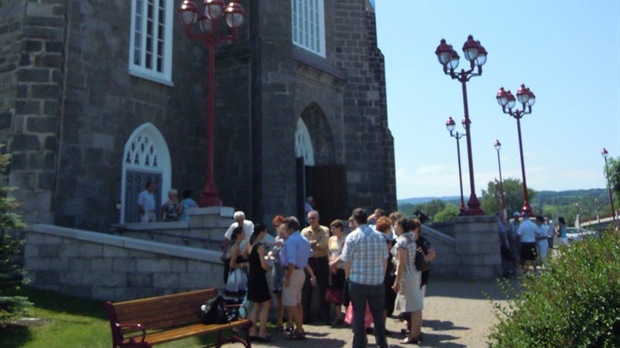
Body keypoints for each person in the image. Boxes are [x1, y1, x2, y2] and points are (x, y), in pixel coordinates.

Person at [341, 208, 389, 348]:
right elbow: (385, 259)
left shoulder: (352, 237)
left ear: (355, 220)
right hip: (376, 281)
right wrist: (382, 275)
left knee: (359, 314)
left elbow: (347, 261)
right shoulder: (380, 236)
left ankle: (359, 344)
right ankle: (382, 343)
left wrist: (347, 277)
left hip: (358, 281)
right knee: (378, 315)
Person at [281, 216, 315, 340]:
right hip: (301, 272)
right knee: (297, 302)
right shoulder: (304, 239)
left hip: (293, 272)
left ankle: (299, 329)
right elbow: (309, 253)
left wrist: (288, 277)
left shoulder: (291, 240)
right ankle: (299, 327)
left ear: (290, 228)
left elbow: (291, 261)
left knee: (291, 303)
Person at [392, 218, 424, 344]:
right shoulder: (411, 238)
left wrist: (397, 281)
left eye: (395, 224)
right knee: (416, 305)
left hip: (407, 275)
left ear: (401, 226)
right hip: (415, 273)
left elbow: (401, 263)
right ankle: (417, 332)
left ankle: (414, 334)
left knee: (413, 306)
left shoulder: (402, 241)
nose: (394, 226)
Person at [301, 210, 330, 324]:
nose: (311, 220)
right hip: (309, 262)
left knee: (324, 289)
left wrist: (310, 244)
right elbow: (303, 246)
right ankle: (305, 317)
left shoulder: (325, 230)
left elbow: (323, 245)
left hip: (322, 262)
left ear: (318, 218)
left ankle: (325, 316)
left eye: (313, 218)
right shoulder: (304, 231)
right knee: (307, 289)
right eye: (309, 218)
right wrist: (313, 243)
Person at [246, 224, 272, 342]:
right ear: (261, 232)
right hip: (260, 278)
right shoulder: (260, 246)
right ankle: (262, 332)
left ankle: (252, 331)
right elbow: (263, 264)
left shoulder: (250, 244)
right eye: (265, 231)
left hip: (252, 278)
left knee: (256, 306)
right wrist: (269, 269)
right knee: (266, 304)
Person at [269, 215, 290, 332]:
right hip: (276, 269)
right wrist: (271, 254)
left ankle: (290, 321)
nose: (277, 228)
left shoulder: (288, 239)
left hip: (285, 270)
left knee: (288, 296)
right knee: (278, 296)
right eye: (275, 226)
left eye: (279, 226)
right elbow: (273, 250)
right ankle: (280, 320)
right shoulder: (277, 239)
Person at [221, 211, 254, 283]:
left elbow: (250, 239)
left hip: (245, 253)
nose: (241, 222)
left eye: (242, 220)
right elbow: (232, 264)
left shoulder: (249, 225)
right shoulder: (235, 247)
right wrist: (224, 253)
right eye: (238, 220)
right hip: (238, 262)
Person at [375, 216, 396, 322]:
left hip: (374, 271)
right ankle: (382, 325)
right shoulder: (387, 241)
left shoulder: (374, 238)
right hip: (385, 272)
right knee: (385, 301)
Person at [327, 219, 346, 326]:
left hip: (342, 268)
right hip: (334, 268)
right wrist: (331, 263)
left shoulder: (345, 239)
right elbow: (329, 252)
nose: (331, 230)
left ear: (339, 228)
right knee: (335, 292)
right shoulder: (331, 239)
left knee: (344, 291)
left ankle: (348, 315)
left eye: (333, 228)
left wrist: (334, 263)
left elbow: (343, 254)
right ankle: (338, 316)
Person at [224, 226, 249, 301]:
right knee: (237, 298)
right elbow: (232, 264)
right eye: (243, 232)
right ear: (239, 234)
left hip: (240, 274)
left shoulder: (238, 246)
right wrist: (244, 265)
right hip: (236, 275)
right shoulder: (235, 248)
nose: (245, 234)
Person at [497, 212, 514, 278]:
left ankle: (505, 271)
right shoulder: (500, 224)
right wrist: (505, 244)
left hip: (500, 244)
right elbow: (503, 234)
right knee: (508, 258)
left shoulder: (498, 223)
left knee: (504, 258)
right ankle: (506, 271)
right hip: (503, 244)